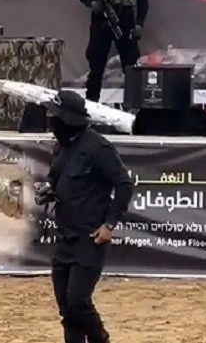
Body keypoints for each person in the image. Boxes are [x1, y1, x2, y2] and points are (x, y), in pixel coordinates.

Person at [36, 91, 133, 343]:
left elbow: (124, 184)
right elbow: (54, 178)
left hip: (90, 238)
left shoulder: (98, 147)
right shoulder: (62, 147)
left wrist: (109, 224)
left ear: (68, 119)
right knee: (67, 310)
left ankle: (100, 339)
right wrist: (48, 189)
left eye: (56, 116)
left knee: (78, 303)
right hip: (65, 236)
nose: (51, 121)